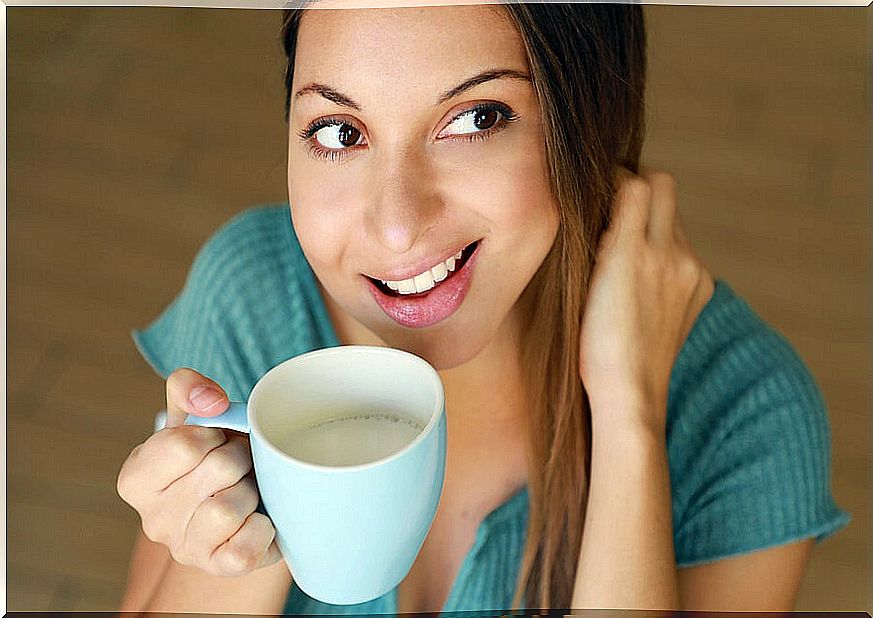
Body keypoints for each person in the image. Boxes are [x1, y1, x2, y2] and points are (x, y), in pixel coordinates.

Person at [115, 3, 849, 614]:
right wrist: (245, 518)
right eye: (339, 132)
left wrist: (629, 415)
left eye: (476, 118)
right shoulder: (254, 293)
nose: (396, 227)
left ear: (585, 119)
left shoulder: (745, 410)